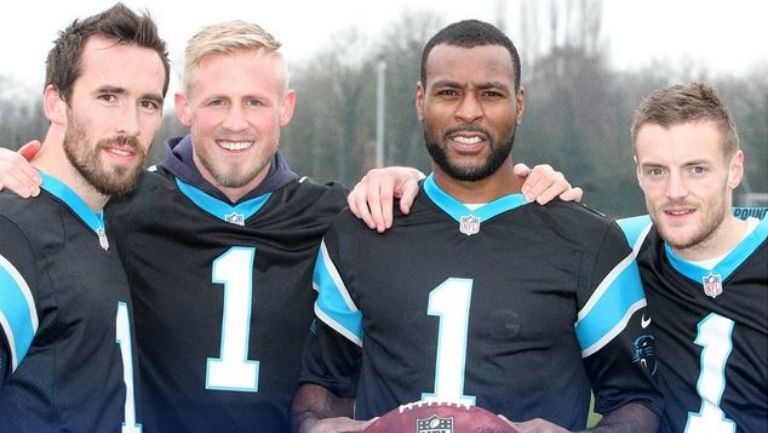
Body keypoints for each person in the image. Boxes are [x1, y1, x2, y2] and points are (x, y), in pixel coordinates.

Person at [0, 19, 577, 433]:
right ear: (185, 106)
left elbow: (456, 206)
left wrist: (515, 182)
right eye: (217, 101)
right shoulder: (121, 204)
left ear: (287, 107)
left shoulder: (343, 215)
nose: (235, 122)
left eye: (254, 102)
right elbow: (57, 196)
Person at [292, 19, 662, 433]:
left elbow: (636, 401)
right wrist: (317, 427)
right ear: (420, 100)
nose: (469, 111)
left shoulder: (587, 240)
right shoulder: (362, 231)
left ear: (519, 104)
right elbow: (322, 389)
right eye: (449, 92)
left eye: (490, 93)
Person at [0, 4, 170, 433]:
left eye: (148, 103)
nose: (130, 125)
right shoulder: (14, 234)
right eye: (109, 96)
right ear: (56, 102)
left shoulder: (99, 223)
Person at [619, 83, 767, 433]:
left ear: (734, 169)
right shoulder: (622, 248)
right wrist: (544, 187)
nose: (675, 192)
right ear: (638, 172)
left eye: (696, 169)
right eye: (657, 171)